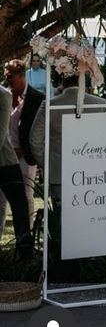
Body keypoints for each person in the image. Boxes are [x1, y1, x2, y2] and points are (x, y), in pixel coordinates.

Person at [29, 70, 106, 200]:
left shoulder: (50, 105)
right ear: (82, 79)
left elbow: (35, 140)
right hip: (94, 173)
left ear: (62, 81)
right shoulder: (100, 104)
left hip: (59, 172)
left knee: (62, 216)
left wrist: (48, 163)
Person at [0, 59, 43, 240]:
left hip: (25, 155)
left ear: (21, 75)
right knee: (1, 200)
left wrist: (25, 151)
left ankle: (28, 236)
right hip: (7, 151)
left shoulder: (36, 97)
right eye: (5, 76)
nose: (7, 80)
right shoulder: (6, 94)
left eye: (10, 76)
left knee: (25, 196)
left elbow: (37, 129)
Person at [0, 83, 34, 260]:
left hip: (5, 161)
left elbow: (1, 131)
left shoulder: (3, 94)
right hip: (6, 160)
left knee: (19, 206)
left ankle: (25, 253)